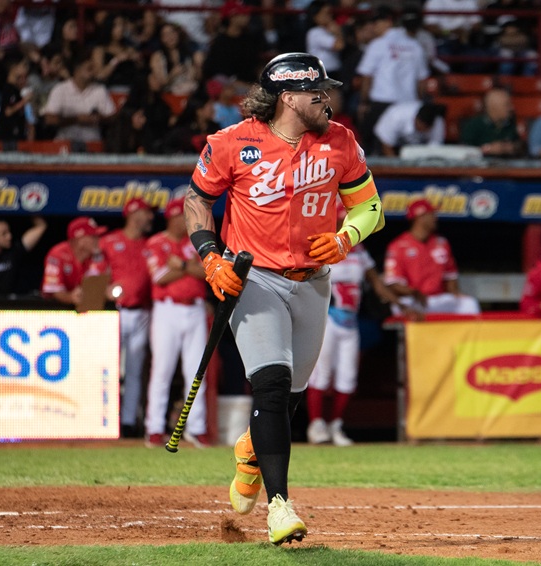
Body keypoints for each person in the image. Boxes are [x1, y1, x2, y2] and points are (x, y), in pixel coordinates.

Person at [184, 52, 384, 544]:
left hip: (314, 280)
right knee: (271, 385)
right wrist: (210, 256)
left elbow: (372, 207)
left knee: (290, 396)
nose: (328, 99)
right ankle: (279, 507)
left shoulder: (342, 141)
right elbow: (196, 200)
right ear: (289, 97)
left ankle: (251, 451)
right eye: (318, 91)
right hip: (255, 277)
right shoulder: (232, 142)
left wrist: (344, 238)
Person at [306, 202, 400, 446]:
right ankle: (316, 425)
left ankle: (336, 424)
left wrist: (400, 304)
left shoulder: (358, 250)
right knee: (321, 374)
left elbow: (376, 282)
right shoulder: (322, 246)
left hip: (350, 322)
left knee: (348, 377)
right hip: (329, 318)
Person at [143, 197, 210, 449]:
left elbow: (207, 272)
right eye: (184, 216)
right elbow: (159, 277)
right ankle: (155, 428)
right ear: (172, 217)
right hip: (166, 311)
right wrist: (189, 268)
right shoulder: (156, 243)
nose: (188, 220)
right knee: (162, 370)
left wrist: (181, 265)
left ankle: (197, 428)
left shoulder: (196, 242)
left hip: (194, 310)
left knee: (196, 372)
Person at [101, 197, 154, 439]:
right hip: (115, 312)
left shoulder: (150, 244)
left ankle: (129, 421)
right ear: (134, 214)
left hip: (143, 312)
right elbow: (96, 273)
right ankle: (105, 419)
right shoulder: (109, 242)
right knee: (108, 368)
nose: (150, 217)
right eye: (146, 213)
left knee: (134, 370)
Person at [384, 198, 480, 316]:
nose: (435, 218)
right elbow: (393, 284)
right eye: (431, 214)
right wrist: (414, 292)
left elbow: (451, 278)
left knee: (469, 304)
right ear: (420, 217)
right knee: (400, 306)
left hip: (437, 299)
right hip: (413, 299)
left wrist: (456, 294)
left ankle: (466, 335)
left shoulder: (441, 243)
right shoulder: (398, 246)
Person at [356, 5, 430, 155]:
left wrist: (364, 102)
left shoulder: (377, 44)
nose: (374, 27)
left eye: (376, 23)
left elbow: (367, 76)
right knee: (403, 147)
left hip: (381, 103)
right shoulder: (414, 45)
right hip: (408, 103)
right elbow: (422, 81)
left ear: (388, 22)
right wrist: (419, 102)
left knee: (369, 146)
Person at [42, 54, 116, 147]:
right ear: (77, 69)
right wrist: (76, 119)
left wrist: (97, 118)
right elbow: (50, 119)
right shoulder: (60, 89)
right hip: (65, 144)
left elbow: (113, 117)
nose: (92, 72)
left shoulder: (100, 90)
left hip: (92, 144)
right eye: (89, 68)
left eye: (93, 69)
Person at [0, 216, 47, 295]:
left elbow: (41, 226)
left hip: (9, 305)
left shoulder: (14, 251)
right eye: (4, 233)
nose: (9, 236)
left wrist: (27, 206)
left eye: (9, 232)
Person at [41, 216, 107, 308]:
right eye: (93, 237)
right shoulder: (57, 254)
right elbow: (54, 290)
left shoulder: (97, 256)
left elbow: (97, 284)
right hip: (54, 309)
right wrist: (70, 297)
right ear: (80, 240)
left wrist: (108, 291)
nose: (98, 240)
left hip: (84, 309)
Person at [460, 87, 522, 157]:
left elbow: (519, 146)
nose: (512, 108)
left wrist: (510, 148)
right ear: (493, 107)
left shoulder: (510, 123)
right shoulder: (474, 125)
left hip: (506, 165)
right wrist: (489, 149)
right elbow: (464, 151)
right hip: (479, 166)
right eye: (507, 105)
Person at [373, 100, 445, 156]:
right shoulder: (396, 116)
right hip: (392, 145)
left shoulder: (437, 122)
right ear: (415, 119)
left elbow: (434, 149)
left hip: (419, 150)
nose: (421, 131)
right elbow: (386, 144)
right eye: (419, 128)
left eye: (425, 129)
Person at [0, 57, 35, 142]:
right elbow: (8, 111)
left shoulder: (17, 90)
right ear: (14, 68)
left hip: (18, 134)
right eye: (23, 66)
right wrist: (24, 101)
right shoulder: (8, 89)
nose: (26, 68)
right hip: (8, 137)